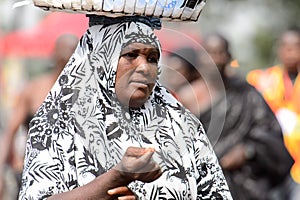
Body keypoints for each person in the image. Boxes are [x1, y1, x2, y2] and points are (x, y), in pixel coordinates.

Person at [18, 15, 232, 199]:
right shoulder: (58, 121)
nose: (144, 67)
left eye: (152, 58)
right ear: (100, 59)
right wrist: (116, 177)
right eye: (131, 55)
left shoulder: (182, 125)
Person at [177, 32, 294, 200]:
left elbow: (270, 132)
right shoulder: (187, 96)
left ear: (228, 57)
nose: (214, 59)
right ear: (201, 57)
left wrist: (248, 151)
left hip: (245, 184)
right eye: (209, 52)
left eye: (219, 53)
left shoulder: (247, 94)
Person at [0, 33, 79, 200]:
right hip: (31, 173)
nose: (69, 56)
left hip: (71, 177)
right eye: (65, 51)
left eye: (74, 51)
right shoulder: (34, 89)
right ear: (55, 54)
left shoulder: (84, 93)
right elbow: (10, 131)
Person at [247, 27, 300, 199]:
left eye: (296, 46)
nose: (291, 52)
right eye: (286, 46)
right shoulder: (262, 79)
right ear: (279, 49)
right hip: (272, 163)